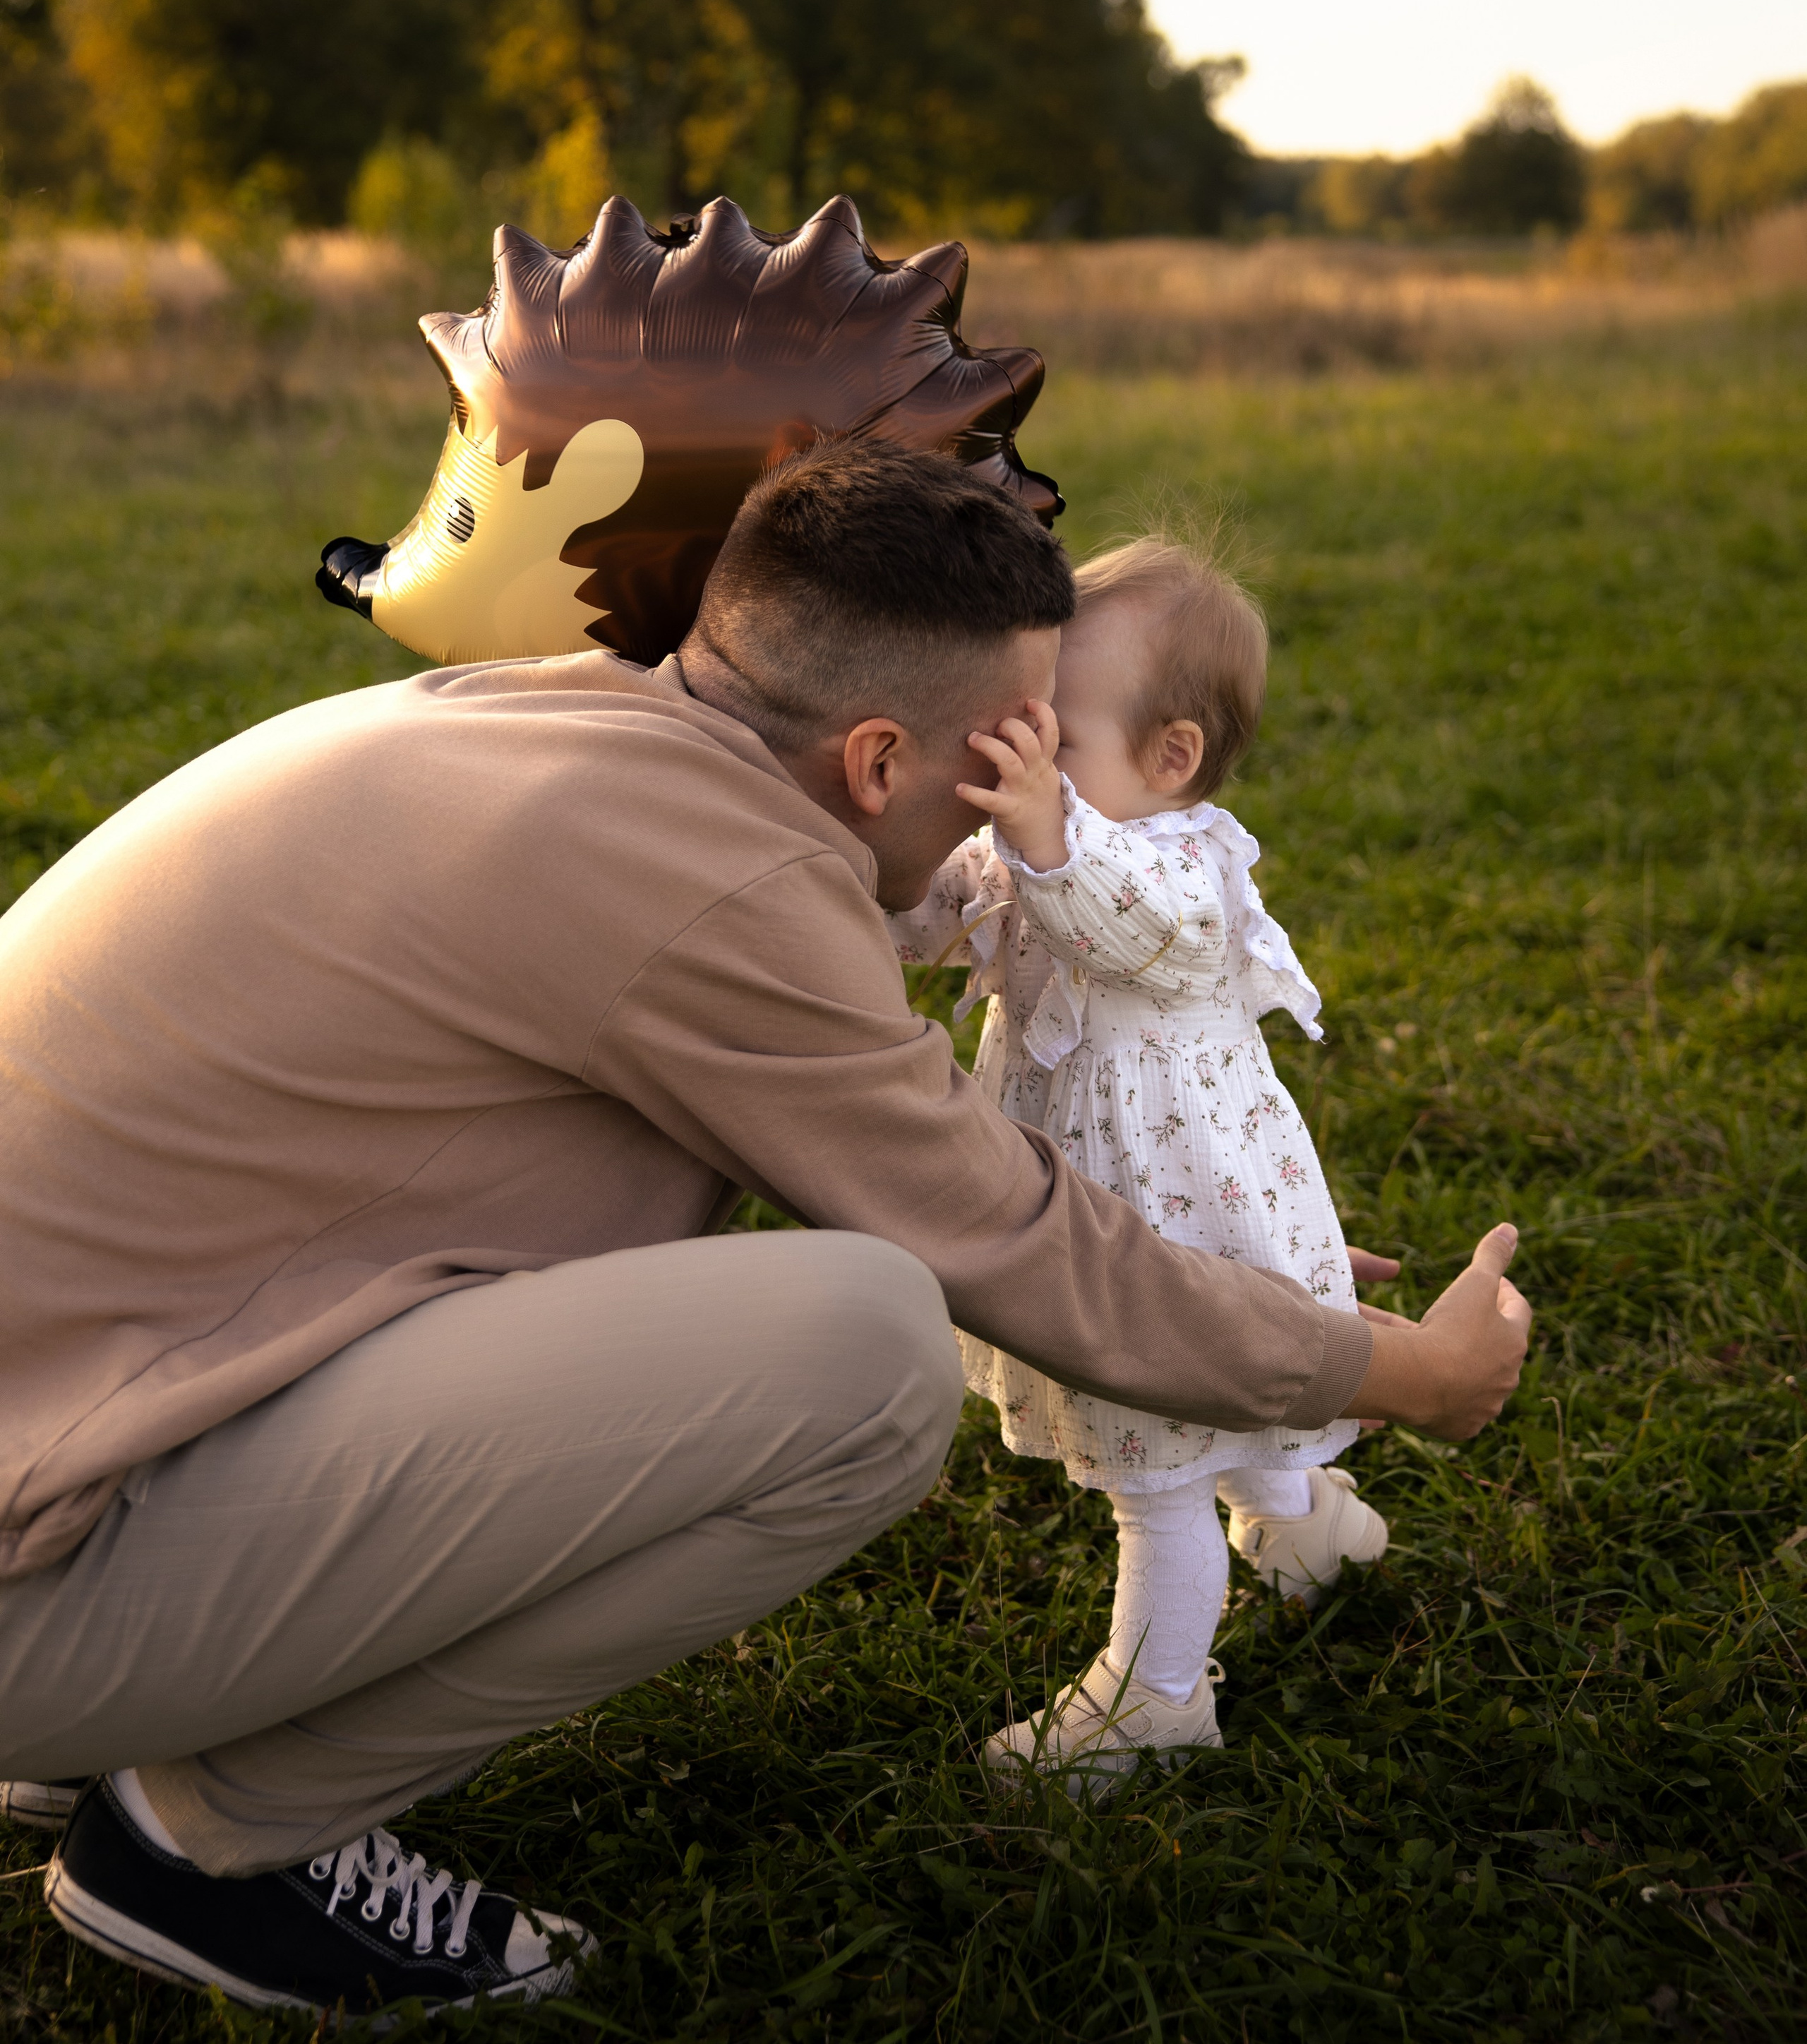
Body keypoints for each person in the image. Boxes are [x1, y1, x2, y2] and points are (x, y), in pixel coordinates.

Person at [0, 442, 1530, 2016]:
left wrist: (1231, 1258)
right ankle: (208, 1835)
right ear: (877, 764)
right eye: (1006, 759)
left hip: (69, 1432)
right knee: (859, 1360)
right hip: (35, 1568)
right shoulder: (725, 889)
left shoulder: (559, 711)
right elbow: (1016, 1244)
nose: (1021, 811)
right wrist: (1397, 1375)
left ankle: (128, 1720)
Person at [889, 535, 1390, 1795]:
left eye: (1054, 732)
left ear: (1171, 757)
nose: (1021, 758)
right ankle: (1305, 1527)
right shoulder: (1059, 833)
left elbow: (1109, 912)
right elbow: (943, 908)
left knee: (1159, 1460)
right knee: (1224, 1405)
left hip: (1167, 1215)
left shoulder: (1178, 869)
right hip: (1142, 1200)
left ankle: (1156, 1701)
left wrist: (1045, 828)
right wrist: (876, 867)